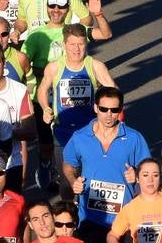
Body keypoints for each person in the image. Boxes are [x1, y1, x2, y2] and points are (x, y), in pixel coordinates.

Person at [62, 86, 151, 243]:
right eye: (104, 109)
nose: (109, 115)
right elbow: (68, 163)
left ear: (120, 110)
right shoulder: (80, 137)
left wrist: (138, 175)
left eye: (114, 110)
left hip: (124, 219)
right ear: (95, 108)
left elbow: (150, 171)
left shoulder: (134, 138)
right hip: (89, 217)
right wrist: (73, 181)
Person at [36, 22, 115, 156]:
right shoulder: (54, 67)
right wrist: (45, 108)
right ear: (64, 45)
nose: (76, 49)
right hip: (62, 129)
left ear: (86, 44)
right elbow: (42, 89)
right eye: (72, 44)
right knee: (66, 174)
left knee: (87, 174)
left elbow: (114, 93)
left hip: (91, 129)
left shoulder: (95, 66)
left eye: (81, 44)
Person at [0, 43, 32, 190]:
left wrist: (4, 132)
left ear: (4, 63)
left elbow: (31, 132)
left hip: (11, 163)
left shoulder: (19, 90)